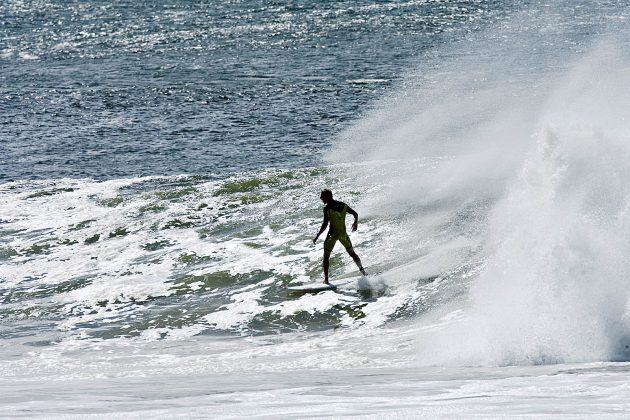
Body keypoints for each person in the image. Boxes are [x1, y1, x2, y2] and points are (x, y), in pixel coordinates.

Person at [313, 189, 367, 284]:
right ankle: (363, 272)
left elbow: (325, 224)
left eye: (322, 196)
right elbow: (355, 214)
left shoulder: (327, 208)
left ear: (328, 196)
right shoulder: (342, 205)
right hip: (343, 235)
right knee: (352, 254)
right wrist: (355, 223)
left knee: (326, 256)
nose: (321, 198)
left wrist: (318, 235)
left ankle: (326, 280)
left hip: (332, 235)